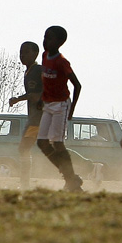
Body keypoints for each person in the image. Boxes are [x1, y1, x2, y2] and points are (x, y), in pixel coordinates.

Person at [36, 26, 83, 192]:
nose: (45, 41)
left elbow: (77, 85)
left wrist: (71, 110)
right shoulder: (44, 56)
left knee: (57, 143)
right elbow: (47, 81)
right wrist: (43, 97)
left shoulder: (61, 62)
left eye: (49, 38)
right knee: (42, 142)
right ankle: (71, 177)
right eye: (44, 37)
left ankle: (71, 181)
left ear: (60, 42)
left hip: (60, 105)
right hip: (48, 104)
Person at [8, 41, 42, 189]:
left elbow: (36, 96)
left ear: (35, 53)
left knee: (24, 148)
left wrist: (17, 99)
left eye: (26, 52)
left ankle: (25, 184)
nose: (22, 55)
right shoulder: (28, 72)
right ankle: (87, 168)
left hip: (39, 117)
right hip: (37, 116)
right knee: (52, 147)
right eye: (21, 52)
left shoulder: (37, 71)